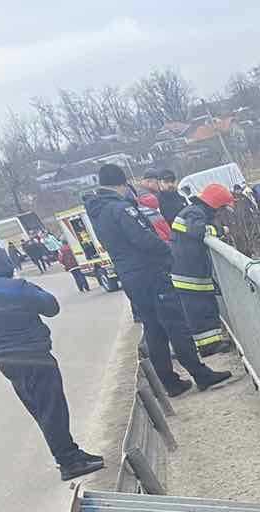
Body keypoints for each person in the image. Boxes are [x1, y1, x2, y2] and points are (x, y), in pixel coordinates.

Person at [0, 243, 103, 481]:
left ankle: (69, 453)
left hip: (7, 362)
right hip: (35, 355)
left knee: (40, 409)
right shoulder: (17, 287)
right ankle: (69, 460)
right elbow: (51, 307)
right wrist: (30, 287)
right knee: (52, 407)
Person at [85, 163, 229, 396]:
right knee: (175, 325)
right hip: (149, 273)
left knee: (154, 330)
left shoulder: (98, 211)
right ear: (122, 185)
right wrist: (167, 253)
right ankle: (200, 374)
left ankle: (170, 383)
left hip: (130, 276)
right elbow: (143, 238)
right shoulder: (120, 209)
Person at [169, 183, 234, 354]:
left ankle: (211, 343)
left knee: (205, 306)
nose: (221, 213)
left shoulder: (194, 211)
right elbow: (198, 231)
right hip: (189, 273)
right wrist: (220, 230)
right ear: (216, 205)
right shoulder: (194, 213)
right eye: (221, 209)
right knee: (200, 309)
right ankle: (208, 346)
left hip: (191, 269)